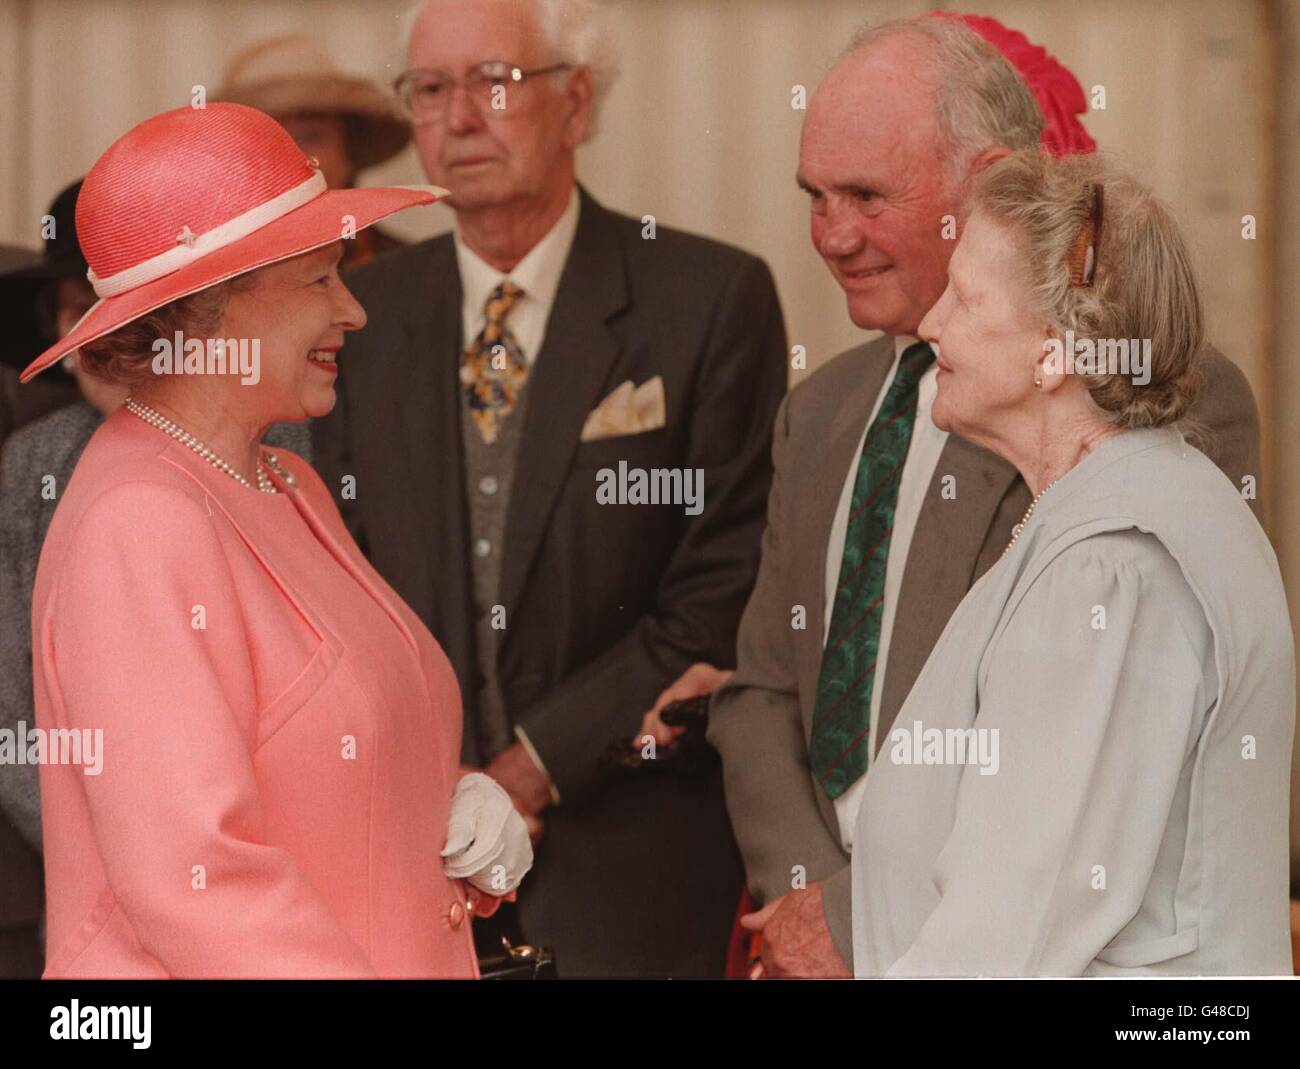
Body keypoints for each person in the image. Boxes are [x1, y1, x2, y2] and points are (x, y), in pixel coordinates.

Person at [645, 14, 1262, 977]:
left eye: (866, 194)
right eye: (815, 195)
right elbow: (767, 688)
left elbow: (1029, 897)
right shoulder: (850, 416)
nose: (833, 233)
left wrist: (861, 927)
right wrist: (819, 910)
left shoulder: (1123, 527)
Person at [311, 0, 787, 976]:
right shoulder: (360, 319)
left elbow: (723, 588)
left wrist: (525, 768)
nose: (457, 117)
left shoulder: (707, 298)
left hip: (633, 856)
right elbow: (337, 581)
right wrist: (437, 782)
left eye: (494, 80)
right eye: (429, 90)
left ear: (575, 101)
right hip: (406, 856)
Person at [20, 102, 530, 978]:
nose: (354, 311)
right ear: (206, 311)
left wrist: (451, 797)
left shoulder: (282, 482)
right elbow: (197, 883)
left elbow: (326, 757)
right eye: (319, 279)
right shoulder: (139, 523)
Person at [850, 148, 1294, 975]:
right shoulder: (1113, 508)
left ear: (1055, 353)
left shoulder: (1114, 567)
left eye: (966, 299)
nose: (931, 323)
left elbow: (1008, 936)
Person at [0, 180, 311, 976]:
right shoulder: (32, 464)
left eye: (127, 316)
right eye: (75, 314)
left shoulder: (277, 447)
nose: (101, 340)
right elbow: (12, 707)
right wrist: (100, 842)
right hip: (92, 892)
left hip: (278, 879)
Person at [216, 34, 412, 269]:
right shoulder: (206, 286)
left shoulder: (409, 271)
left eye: (310, 137)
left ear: (348, 151)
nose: (292, 158)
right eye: (266, 140)